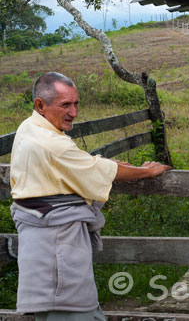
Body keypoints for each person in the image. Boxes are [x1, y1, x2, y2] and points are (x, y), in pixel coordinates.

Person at [9, 72, 172, 321]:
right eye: (65, 105)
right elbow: (103, 170)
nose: (74, 113)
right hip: (55, 245)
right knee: (71, 311)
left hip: (40, 243)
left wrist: (101, 163)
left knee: (60, 311)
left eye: (76, 104)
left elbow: (78, 164)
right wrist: (146, 171)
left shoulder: (29, 127)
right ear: (40, 105)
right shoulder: (52, 144)